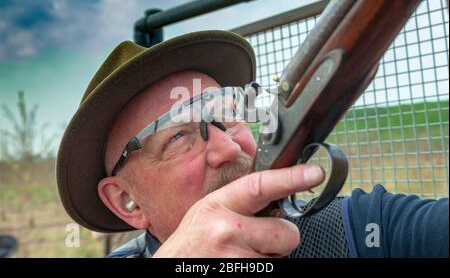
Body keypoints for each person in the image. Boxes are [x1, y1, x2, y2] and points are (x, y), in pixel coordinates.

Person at [56, 29, 448, 258]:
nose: (229, 147)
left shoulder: (359, 229)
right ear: (127, 200)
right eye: (178, 136)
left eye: (227, 114)